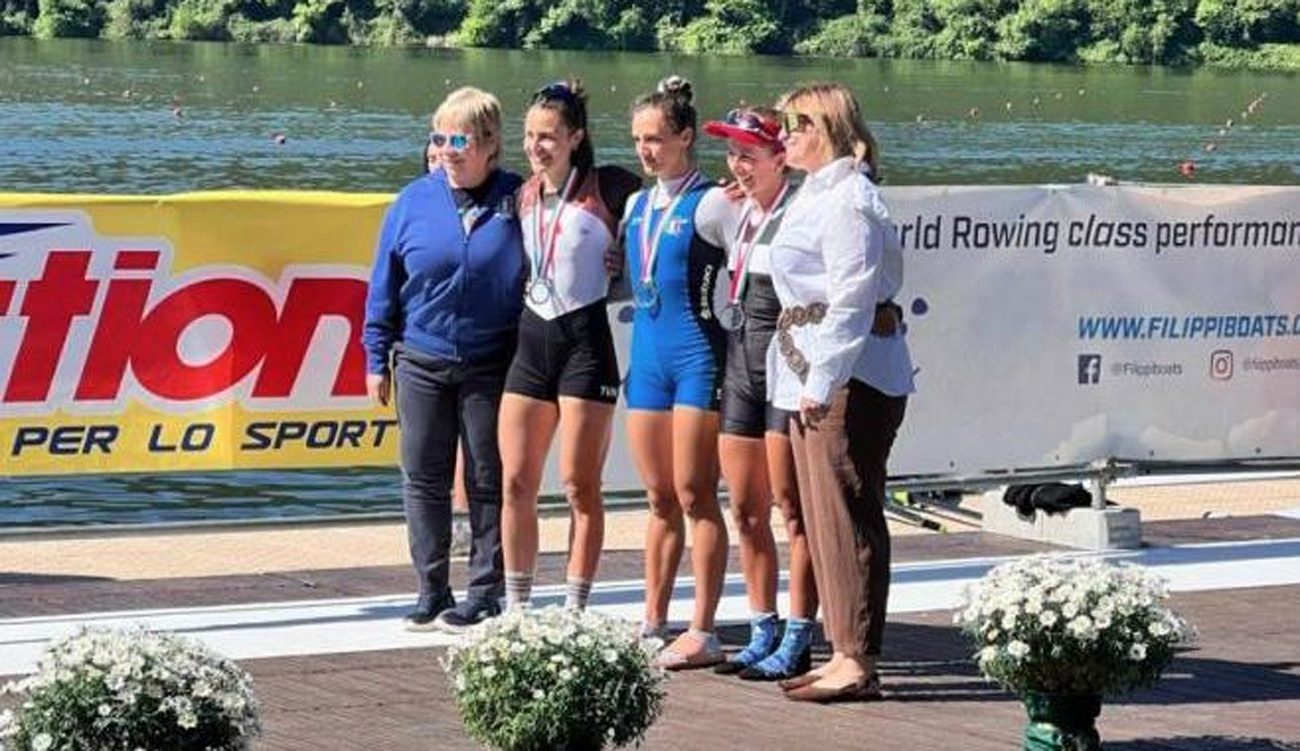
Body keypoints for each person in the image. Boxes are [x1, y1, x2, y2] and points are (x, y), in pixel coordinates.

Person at [764, 83, 913, 702]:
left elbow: (852, 298)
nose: (784, 136)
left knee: (848, 510)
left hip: (852, 374)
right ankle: (842, 649)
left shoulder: (851, 199)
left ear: (825, 129)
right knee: (822, 516)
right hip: (813, 369)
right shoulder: (816, 193)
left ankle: (857, 655)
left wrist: (823, 380)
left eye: (795, 125)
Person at [363, 86, 525, 633]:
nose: (447, 151)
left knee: (487, 477)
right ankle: (431, 588)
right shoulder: (413, 200)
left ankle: (484, 591)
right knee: (423, 476)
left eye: (460, 140)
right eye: (440, 139)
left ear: (490, 144)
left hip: (492, 361)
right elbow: (384, 283)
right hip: (420, 357)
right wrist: (375, 356)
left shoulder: (520, 198)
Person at [498, 80, 641, 611]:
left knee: (580, 485)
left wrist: (625, 260)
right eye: (530, 136)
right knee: (516, 482)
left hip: (585, 346)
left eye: (548, 136)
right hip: (532, 344)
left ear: (575, 138)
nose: (536, 146)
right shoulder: (521, 195)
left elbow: (671, 201)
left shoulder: (611, 188)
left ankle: (575, 610)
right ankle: (518, 609)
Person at [699, 106, 820, 681]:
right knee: (746, 512)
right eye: (732, 154)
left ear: (781, 157)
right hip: (741, 370)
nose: (738, 166)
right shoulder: (732, 211)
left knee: (793, 512)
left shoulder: (803, 211)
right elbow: (702, 211)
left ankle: (799, 633)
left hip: (786, 378)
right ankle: (762, 626)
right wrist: (732, 190)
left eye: (749, 154)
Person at [623, 76, 736, 669]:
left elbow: (754, 261)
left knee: (696, 494)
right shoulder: (636, 205)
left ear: (686, 137)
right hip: (647, 363)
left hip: (696, 359)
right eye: (639, 140)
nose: (646, 150)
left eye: (657, 139)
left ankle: (703, 628)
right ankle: (653, 618)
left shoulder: (713, 203)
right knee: (659, 497)